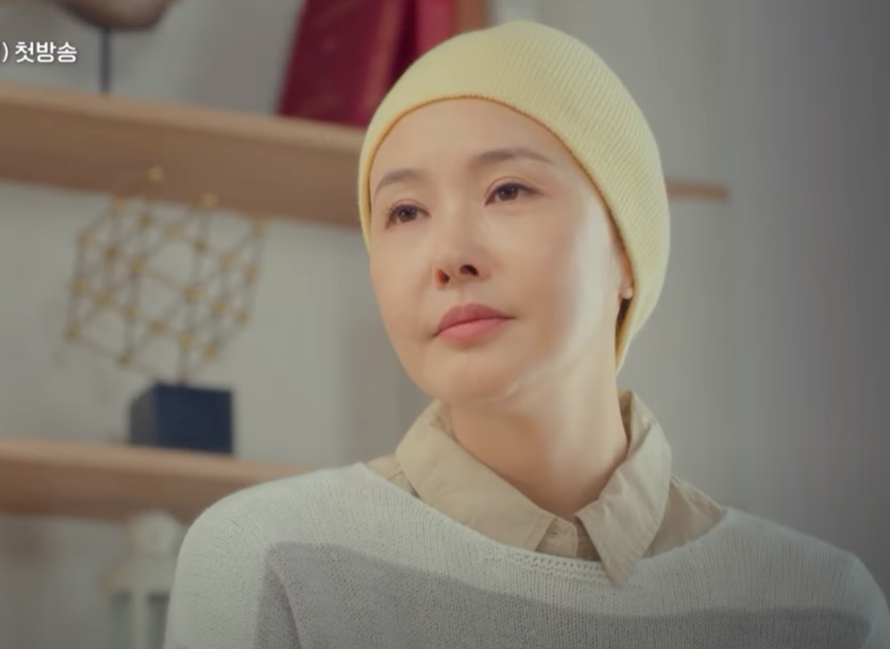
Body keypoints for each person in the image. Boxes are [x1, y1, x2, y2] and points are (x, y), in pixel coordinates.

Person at [164, 20, 890, 649]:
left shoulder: (820, 607)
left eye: (507, 190)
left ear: (624, 252)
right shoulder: (271, 559)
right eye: (405, 212)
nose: (451, 255)